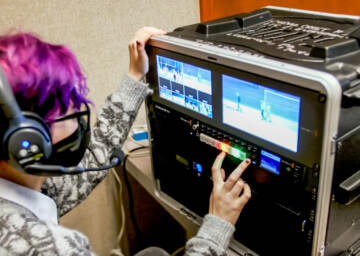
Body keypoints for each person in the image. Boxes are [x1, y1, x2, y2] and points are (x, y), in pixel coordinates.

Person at [0, 27, 251, 256]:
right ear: (27, 138)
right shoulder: (51, 248)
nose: (79, 120)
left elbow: (94, 156)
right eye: (69, 111)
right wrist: (218, 222)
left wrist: (135, 75)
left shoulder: (16, 182)